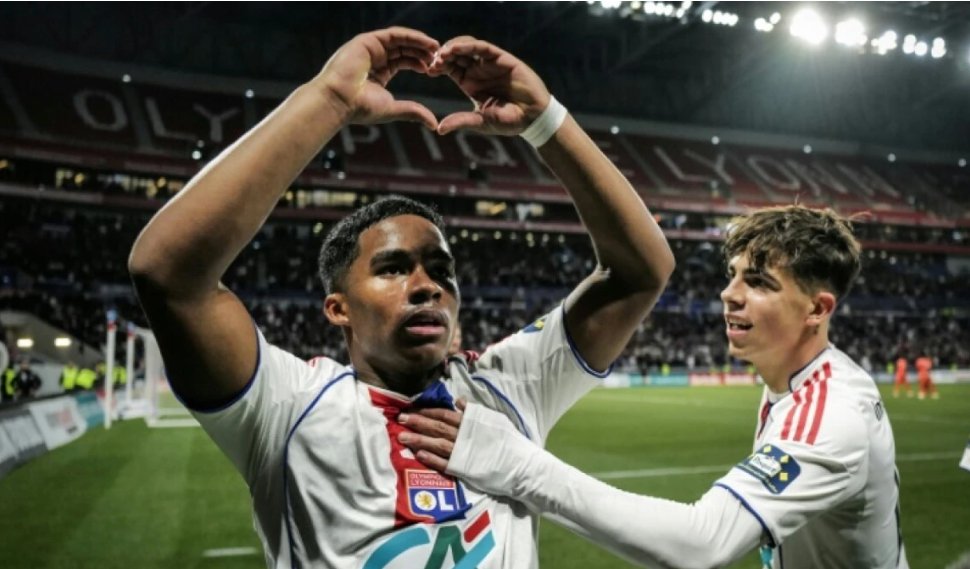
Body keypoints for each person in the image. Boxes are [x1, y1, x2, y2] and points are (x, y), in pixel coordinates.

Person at [128, 28, 674, 568]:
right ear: (338, 307)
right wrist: (329, 99)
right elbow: (168, 275)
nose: (426, 285)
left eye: (441, 270)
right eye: (393, 268)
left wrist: (546, 122)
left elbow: (640, 272)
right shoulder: (288, 407)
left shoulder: (507, 391)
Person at [401, 205, 909, 569]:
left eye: (758, 282)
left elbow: (702, 543)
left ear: (817, 309)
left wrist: (516, 463)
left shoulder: (832, 415)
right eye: (733, 275)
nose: (728, 294)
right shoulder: (795, 381)